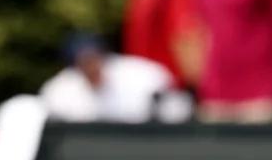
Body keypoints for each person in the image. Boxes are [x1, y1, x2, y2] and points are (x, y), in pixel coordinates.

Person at [39, 33, 190, 123]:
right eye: (84, 62)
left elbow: (177, 110)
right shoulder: (58, 92)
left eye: (95, 59)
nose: (92, 66)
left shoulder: (142, 75)